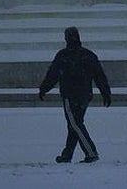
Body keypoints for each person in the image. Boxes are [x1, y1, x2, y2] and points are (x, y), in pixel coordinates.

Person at [38, 26, 112, 164]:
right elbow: (99, 76)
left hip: (70, 95)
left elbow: (52, 75)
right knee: (74, 124)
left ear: (66, 38)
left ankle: (91, 152)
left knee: (75, 124)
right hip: (85, 95)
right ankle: (67, 154)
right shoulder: (88, 55)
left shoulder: (63, 55)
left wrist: (44, 88)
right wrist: (105, 92)